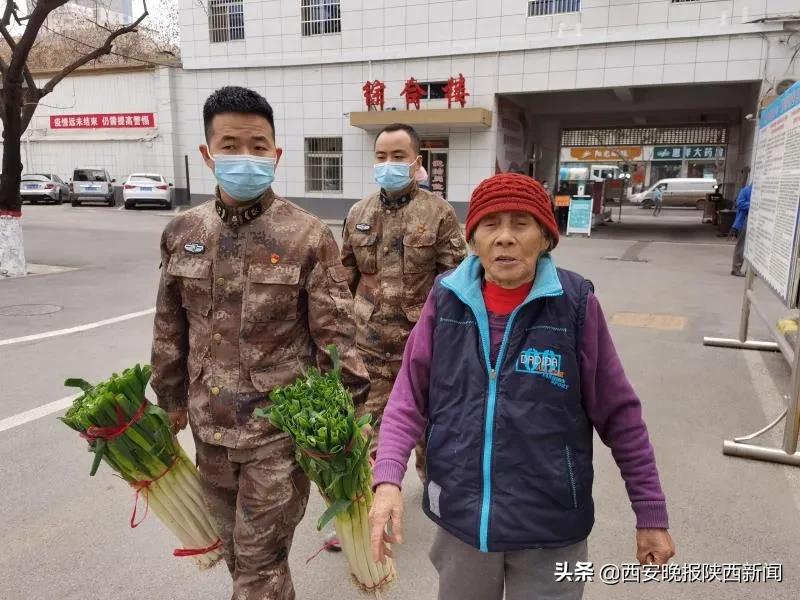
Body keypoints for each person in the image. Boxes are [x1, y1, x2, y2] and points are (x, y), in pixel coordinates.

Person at [369, 173, 674, 600]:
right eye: (490, 225)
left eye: (521, 223)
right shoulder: (445, 298)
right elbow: (408, 398)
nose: (505, 238)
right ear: (472, 239)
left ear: (546, 237)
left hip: (549, 524)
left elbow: (619, 414)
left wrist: (650, 513)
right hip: (462, 519)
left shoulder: (575, 305)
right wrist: (387, 480)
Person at [150, 86, 370, 600]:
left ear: (276, 153)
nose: (244, 157)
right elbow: (169, 325)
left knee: (258, 564)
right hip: (209, 428)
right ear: (207, 154)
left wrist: (347, 425)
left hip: (280, 433)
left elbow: (336, 340)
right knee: (238, 557)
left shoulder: (307, 235)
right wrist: (171, 400)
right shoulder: (182, 231)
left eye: (257, 145)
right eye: (230, 145)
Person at [341, 123, 467, 481]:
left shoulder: (439, 213)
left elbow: (456, 284)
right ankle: (366, 517)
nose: (389, 163)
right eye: (381, 156)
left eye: (398, 156)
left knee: (433, 438)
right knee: (368, 439)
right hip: (370, 351)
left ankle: (438, 500)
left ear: (416, 161)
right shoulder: (358, 214)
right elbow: (343, 280)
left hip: (425, 350)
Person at [730, 183, 752, 277]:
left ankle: (751, 270)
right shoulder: (746, 190)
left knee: (755, 247)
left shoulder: (763, 192)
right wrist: (754, 204)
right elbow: (740, 203)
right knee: (741, 246)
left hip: (758, 223)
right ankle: (736, 269)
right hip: (744, 221)